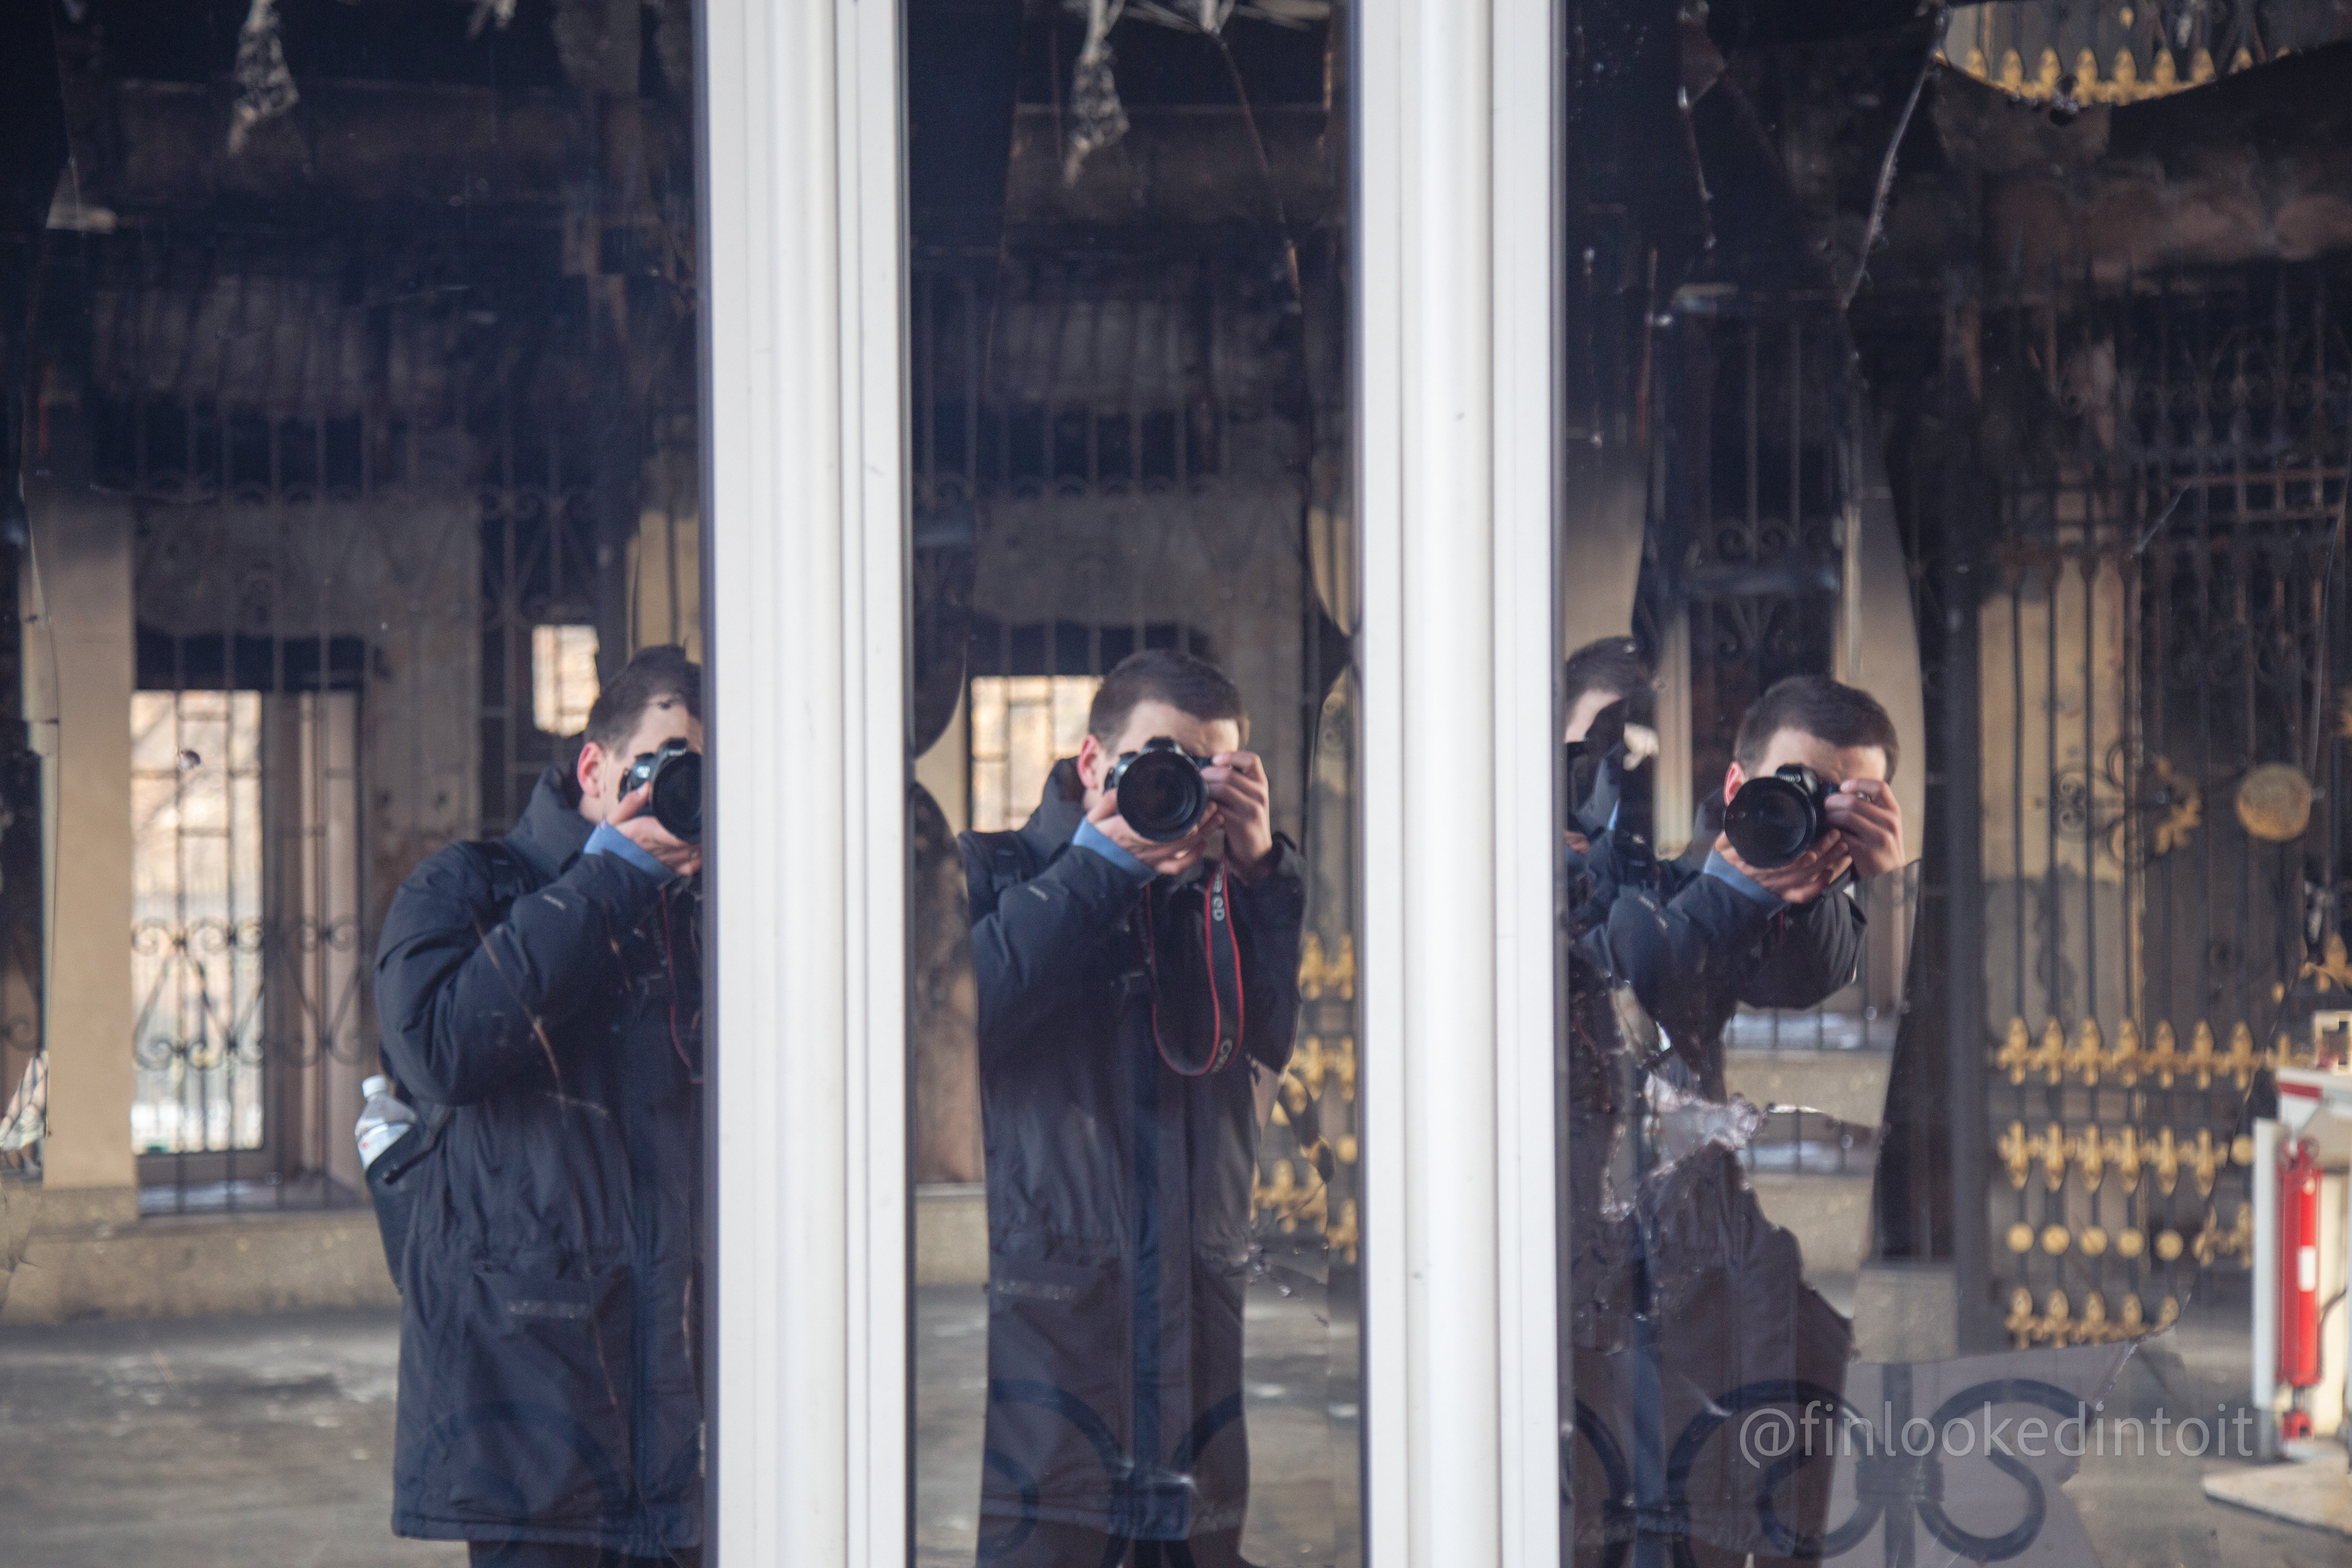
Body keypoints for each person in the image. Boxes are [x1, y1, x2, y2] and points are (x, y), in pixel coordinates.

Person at [957, 649, 1306, 1568]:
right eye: (1160, 764)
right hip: (1058, 1352)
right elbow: (970, 1015)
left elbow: (1270, 1038)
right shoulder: (999, 872)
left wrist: (1264, 875)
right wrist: (1099, 870)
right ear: (1090, 765)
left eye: (1210, 774)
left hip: (1197, 1346)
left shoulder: (1222, 895)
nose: (1180, 794)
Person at [374, 646, 705, 1567]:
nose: (688, 794)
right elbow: (440, 1052)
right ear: (594, 769)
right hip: (527, 1412)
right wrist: (609, 878)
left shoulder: (718, 912)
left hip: (684, 1411)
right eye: (666, 765)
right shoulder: (467, 887)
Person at [1574, 673, 1904, 1089]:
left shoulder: (1817, 915)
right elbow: (1580, 1012)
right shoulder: (1613, 871)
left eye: (1839, 802)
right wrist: (1729, 895)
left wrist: (1887, 887)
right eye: (1792, 787)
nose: (1809, 816)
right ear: (1735, 787)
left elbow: (1801, 979)